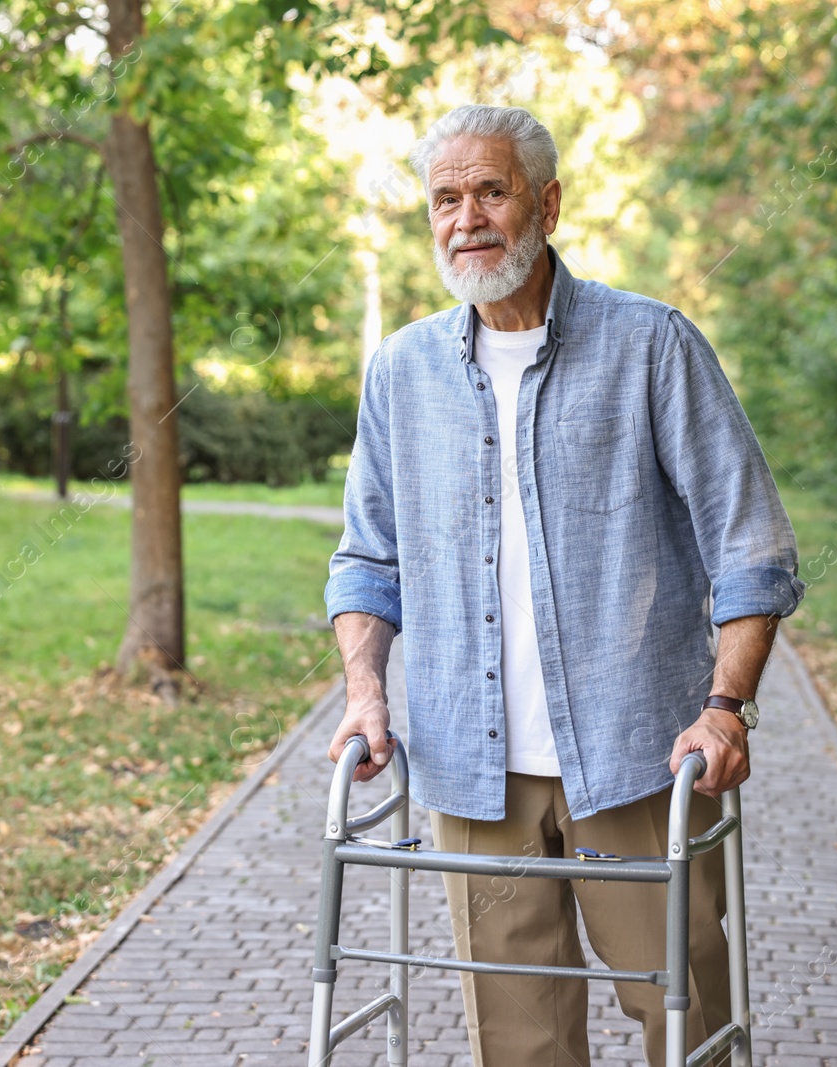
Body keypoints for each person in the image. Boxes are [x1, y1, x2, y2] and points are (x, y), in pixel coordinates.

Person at [323, 103, 805, 1067]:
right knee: (520, 1043)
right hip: (472, 770)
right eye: (445, 199)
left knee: (685, 1019)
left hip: (636, 757)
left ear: (546, 202)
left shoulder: (652, 345)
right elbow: (367, 559)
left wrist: (725, 709)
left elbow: (751, 547)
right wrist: (366, 692)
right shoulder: (402, 371)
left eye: (491, 190)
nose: (467, 218)